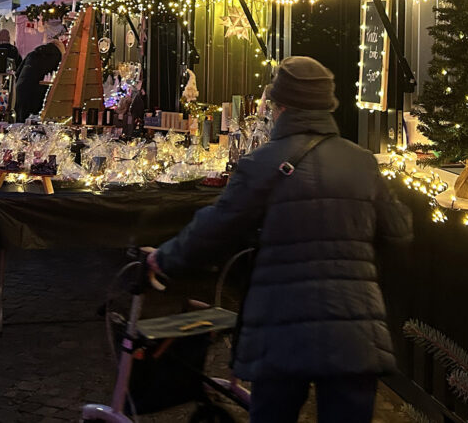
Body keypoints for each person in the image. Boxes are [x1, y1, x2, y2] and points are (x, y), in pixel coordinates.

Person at [148, 56, 413, 422]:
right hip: (353, 326)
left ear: (281, 105)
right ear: (327, 104)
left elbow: (215, 228)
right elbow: (399, 230)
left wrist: (163, 259)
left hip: (280, 326)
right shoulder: (362, 162)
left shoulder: (261, 163)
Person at [13, 22, 65, 121]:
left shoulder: (33, 53)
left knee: (21, 121)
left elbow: (18, 72)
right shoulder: (57, 57)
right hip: (39, 92)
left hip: (21, 88)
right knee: (35, 122)